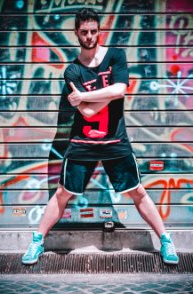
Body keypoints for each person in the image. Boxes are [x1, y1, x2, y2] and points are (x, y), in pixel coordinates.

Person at [22, 8, 179, 265]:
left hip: (115, 140)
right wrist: (97, 97)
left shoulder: (116, 56)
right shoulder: (72, 71)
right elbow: (87, 111)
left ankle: (165, 240)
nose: (89, 36)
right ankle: (37, 241)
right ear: (76, 33)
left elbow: (120, 90)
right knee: (62, 193)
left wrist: (84, 95)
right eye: (84, 32)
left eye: (93, 31)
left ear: (99, 31)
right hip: (82, 143)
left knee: (137, 191)